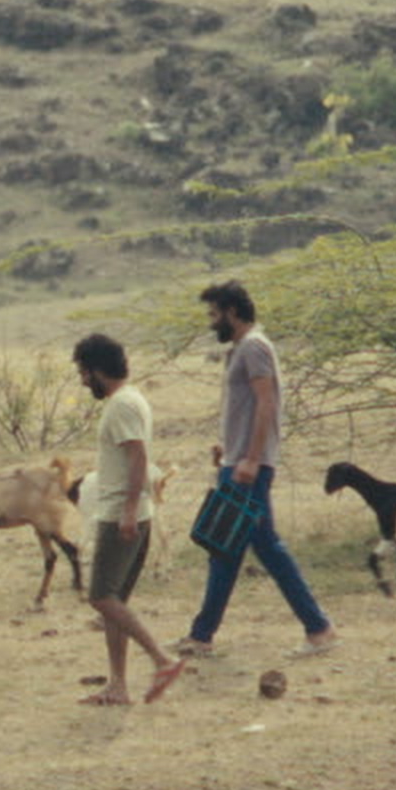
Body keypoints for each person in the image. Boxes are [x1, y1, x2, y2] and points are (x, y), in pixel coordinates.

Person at [143, 279, 334, 702]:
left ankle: (318, 628)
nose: (211, 322)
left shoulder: (253, 347)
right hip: (239, 461)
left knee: (262, 546)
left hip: (249, 467)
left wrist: (250, 457)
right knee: (226, 547)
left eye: (214, 314)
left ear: (232, 311)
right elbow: (248, 407)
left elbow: (267, 404)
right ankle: (202, 635)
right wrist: (230, 450)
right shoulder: (242, 349)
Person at [69, 332, 182, 706]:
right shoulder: (129, 400)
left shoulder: (122, 405)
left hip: (121, 514)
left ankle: (162, 659)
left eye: (84, 373)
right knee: (115, 602)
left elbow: (138, 458)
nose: (83, 381)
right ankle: (118, 685)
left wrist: (129, 511)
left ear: (98, 370)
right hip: (128, 511)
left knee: (101, 597)